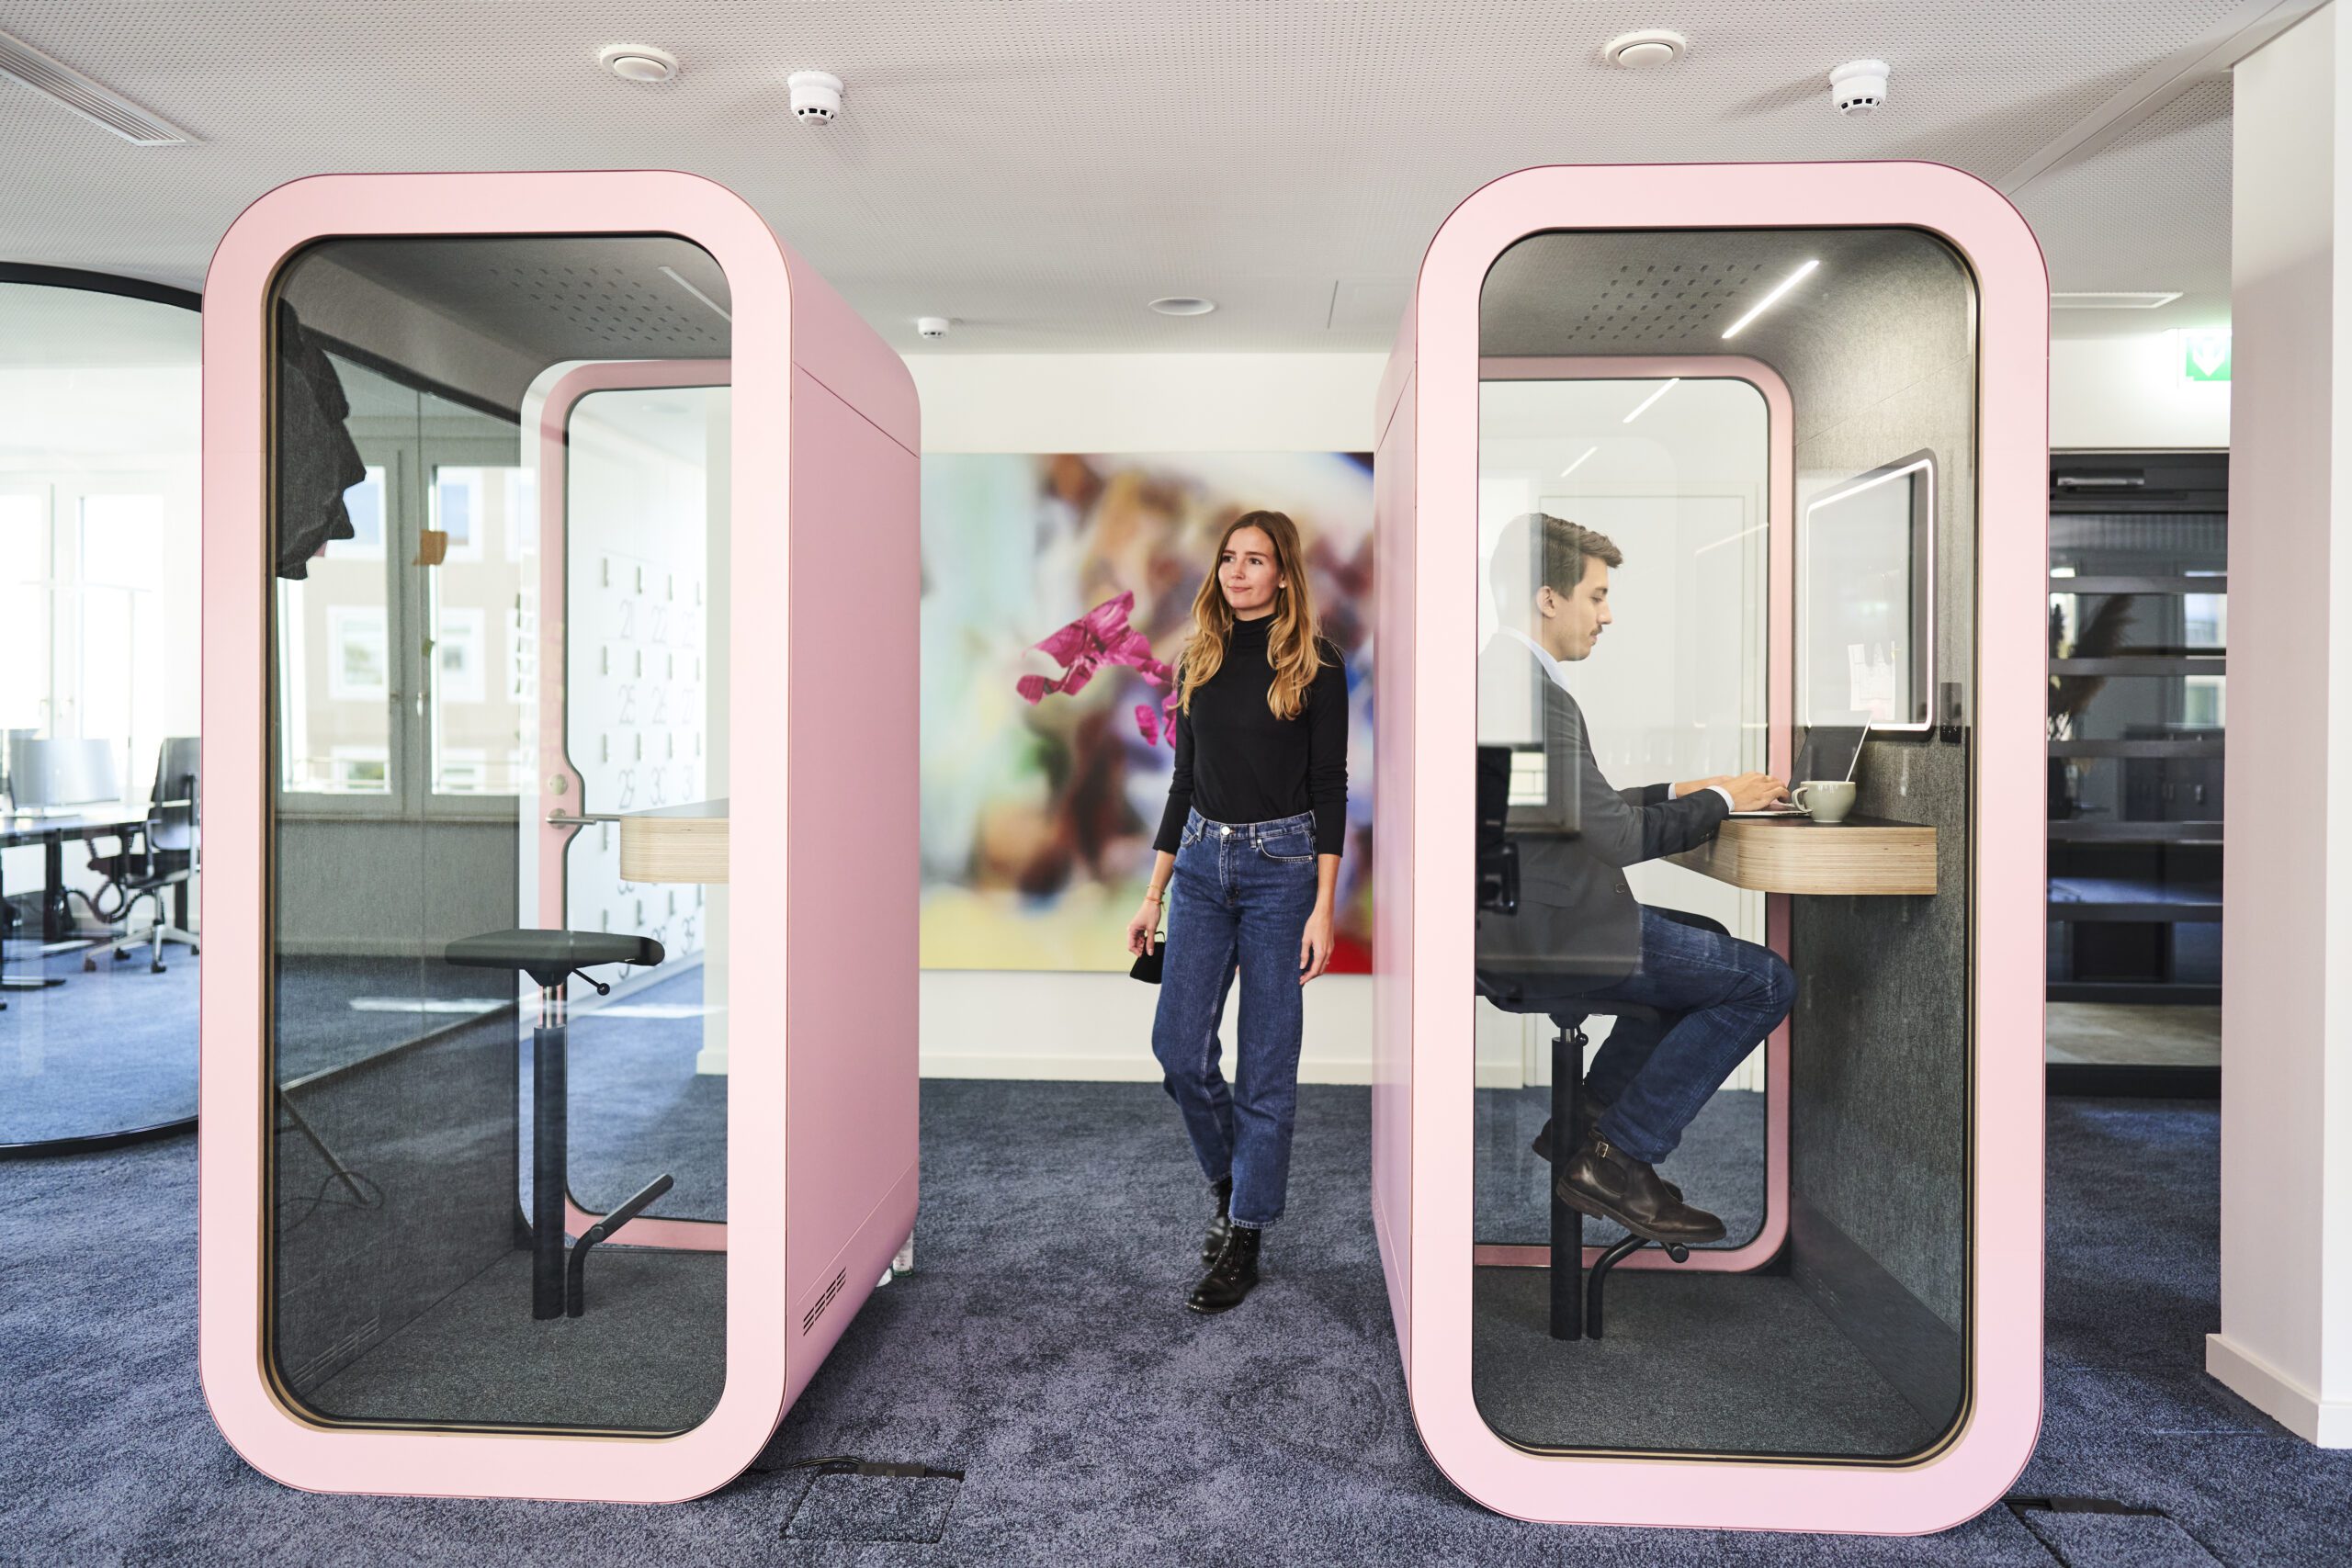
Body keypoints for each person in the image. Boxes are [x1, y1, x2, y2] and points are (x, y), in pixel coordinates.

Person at [1476, 513, 1796, 1246]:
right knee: (1765, 982)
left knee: (1708, 942)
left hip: (1516, 919)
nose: (1607, 614)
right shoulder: (1534, 694)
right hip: (1545, 936)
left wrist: (1692, 787)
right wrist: (1719, 806)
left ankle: (1585, 1132)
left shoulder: (1503, 675)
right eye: (1596, 595)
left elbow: (1569, 811)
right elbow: (1614, 839)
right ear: (1548, 597)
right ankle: (1618, 1160)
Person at [1127, 510, 1348, 1314]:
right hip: (1199, 864)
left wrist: (1324, 907)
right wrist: (1152, 892)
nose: (1237, 571)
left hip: (1283, 869)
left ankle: (1246, 1230)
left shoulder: (1319, 663)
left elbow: (1331, 790)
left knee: (1265, 1061)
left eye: (1255, 560)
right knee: (1179, 1049)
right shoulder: (1200, 657)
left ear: (1284, 573)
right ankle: (1233, 1182)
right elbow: (1181, 784)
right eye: (1228, 558)